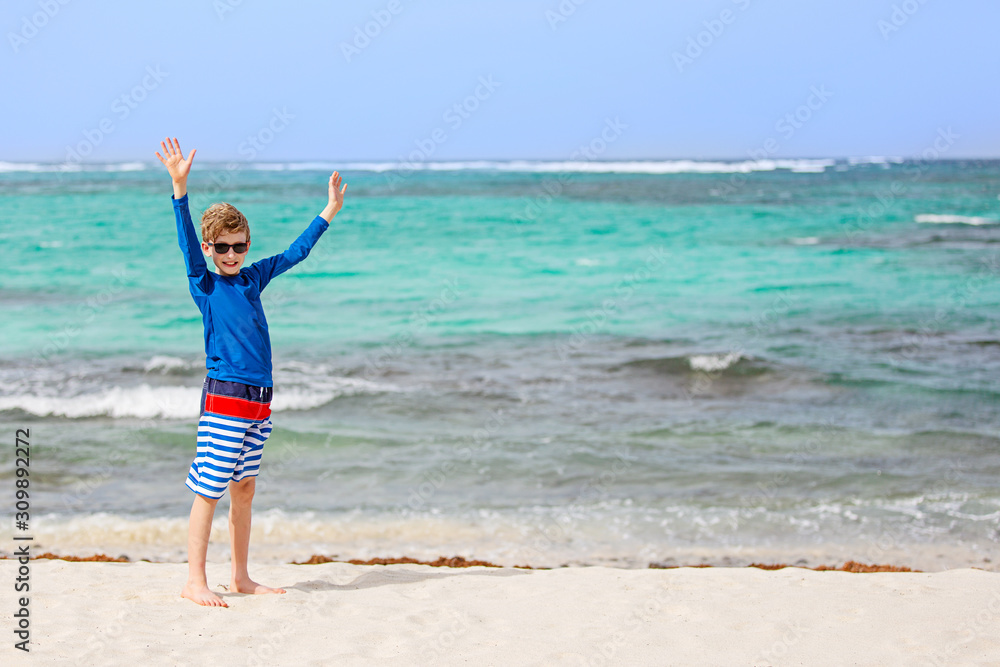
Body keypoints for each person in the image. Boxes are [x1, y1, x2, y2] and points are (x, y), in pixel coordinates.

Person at [155, 137, 346, 607]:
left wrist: (329, 211)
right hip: (225, 400)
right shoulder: (205, 283)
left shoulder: (253, 278)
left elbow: (294, 253)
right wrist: (180, 190)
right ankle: (193, 581)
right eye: (222, 247)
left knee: (244, 490)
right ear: (209, 246)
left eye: (239, 246)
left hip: (259, 402)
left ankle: (240, 576)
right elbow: (184, 242)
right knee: (209, 491)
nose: (232, 254)